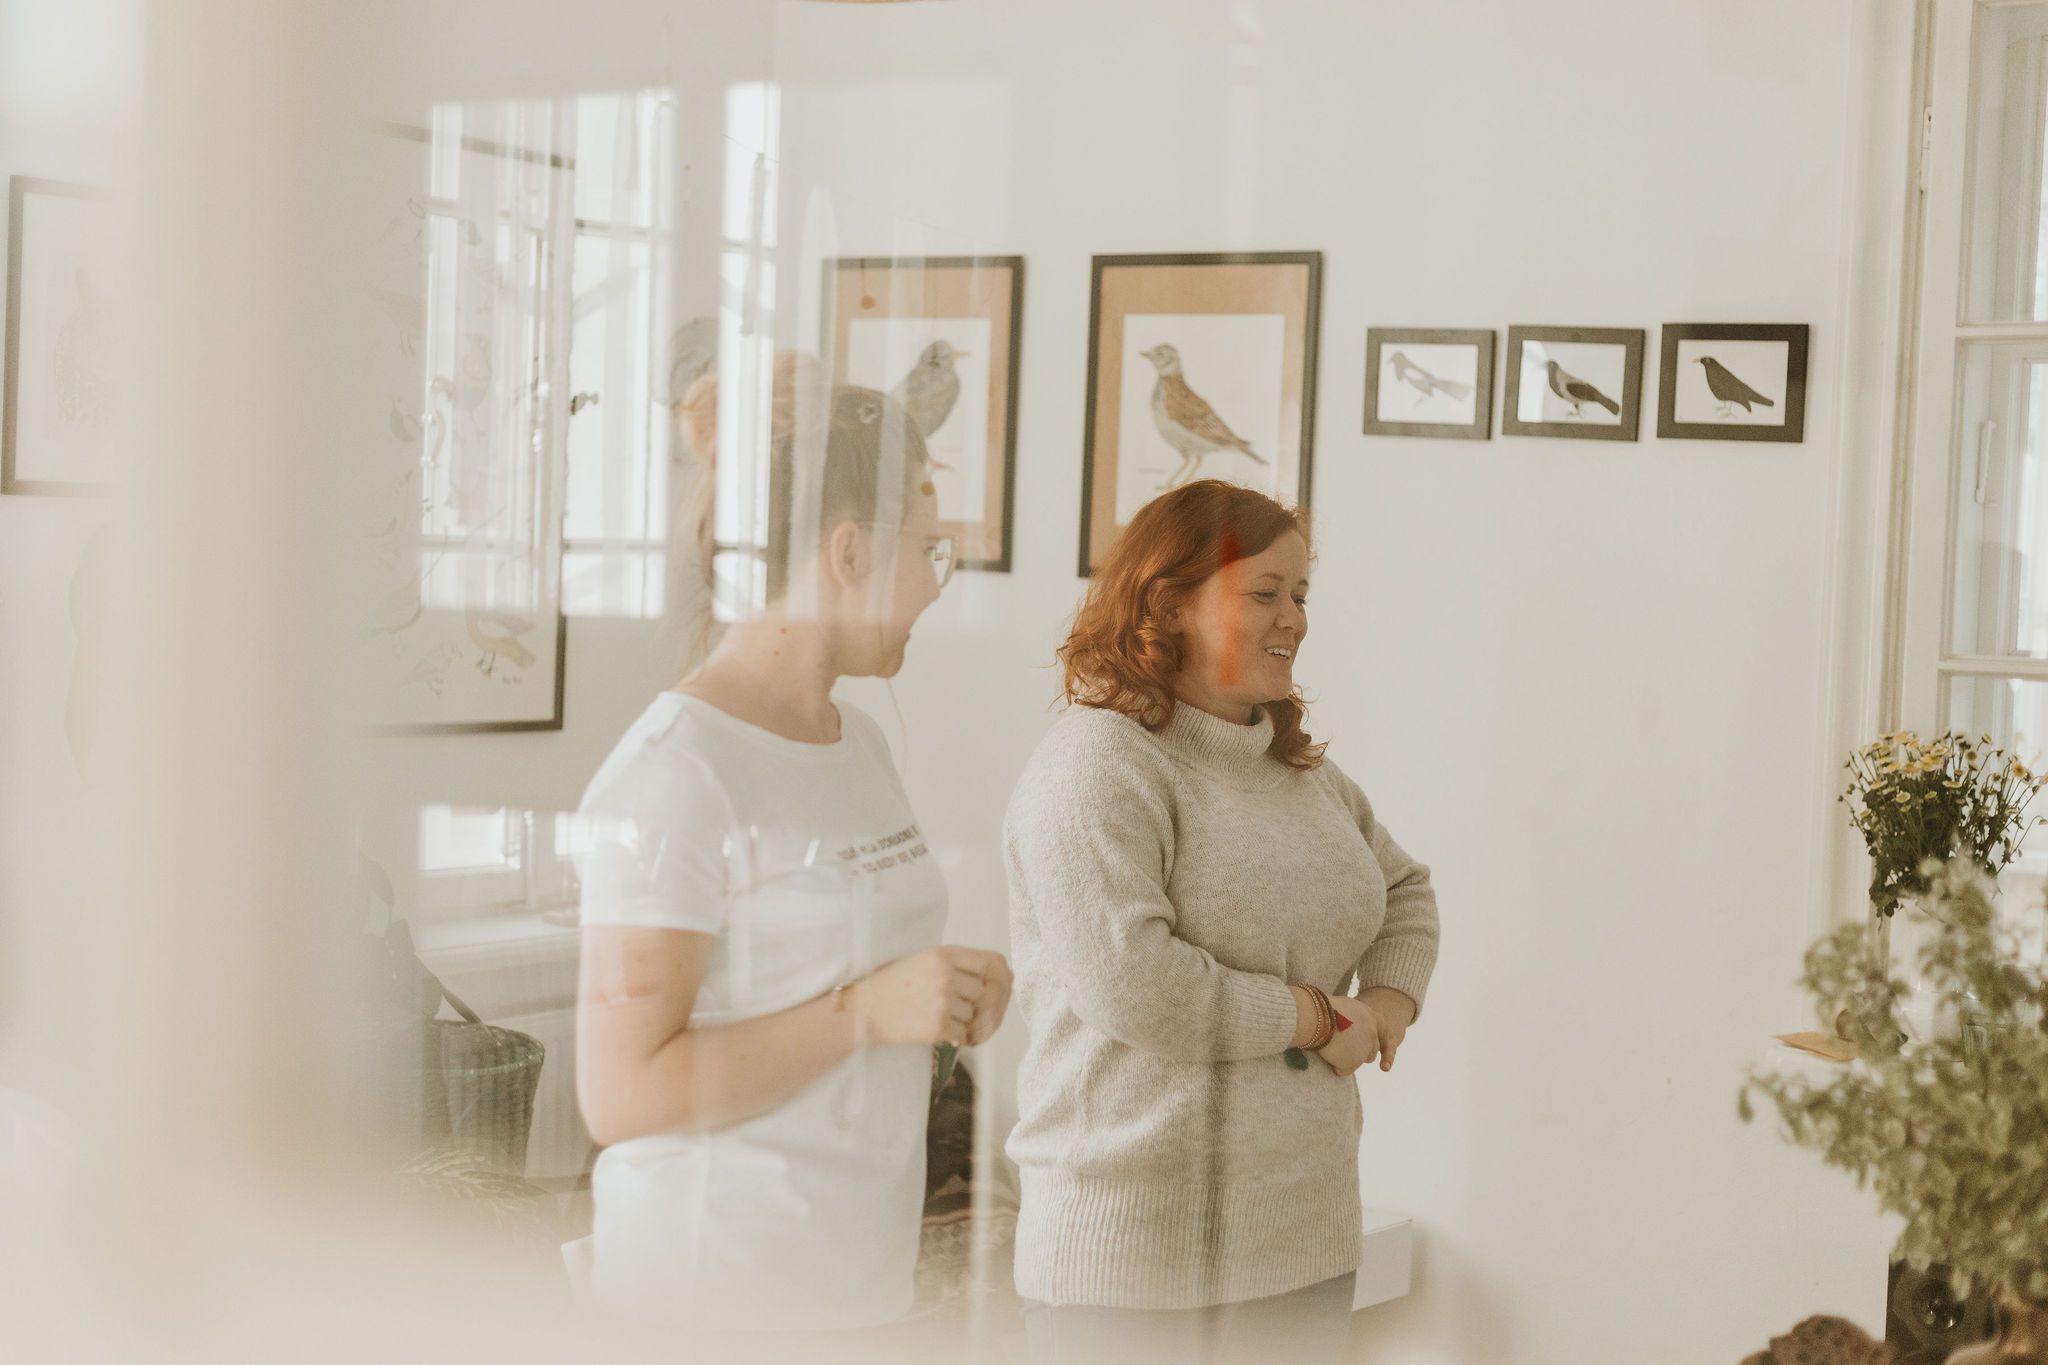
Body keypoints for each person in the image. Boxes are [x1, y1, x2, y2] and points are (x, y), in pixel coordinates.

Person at [572, 359, 1012, 1332]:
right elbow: (621, 1093)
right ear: (848, 551)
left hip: (856, 1294)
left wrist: (943, 999)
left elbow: (846, 982)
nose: (935, 587)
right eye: (929, 552)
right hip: (713, 1306)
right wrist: (872, 1011)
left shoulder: (860, 744)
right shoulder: (675, 774)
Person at [1002, 479, 1441, 1364]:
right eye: (1265, 592)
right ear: (1171, 604)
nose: (1296, 619)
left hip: (1305, 1245)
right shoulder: (1094, 766)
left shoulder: (1299, 771)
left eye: (1302, 594)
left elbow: (1405, 890)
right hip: (1131, 1263)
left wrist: (1386, 1007)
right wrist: (1318, 1017)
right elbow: (1139, 987)